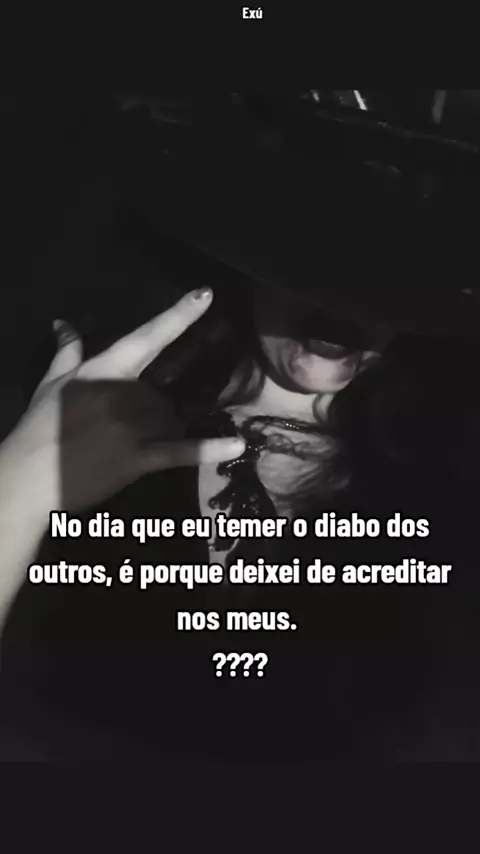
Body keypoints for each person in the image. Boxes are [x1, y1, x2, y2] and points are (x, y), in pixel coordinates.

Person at [1, 123, 480, 760]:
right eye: (322, 254)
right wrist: (20, 486)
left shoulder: (453, 481)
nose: (350, 299)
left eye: (393, 270)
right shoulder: (76, 403)